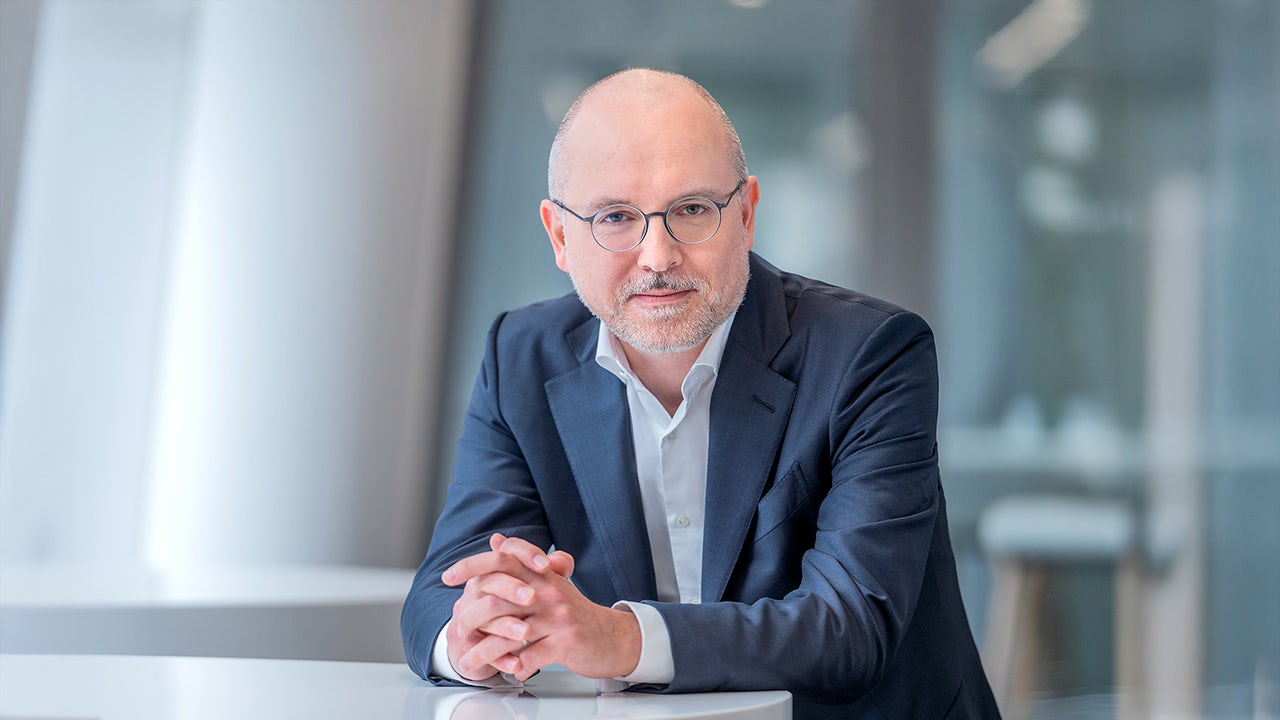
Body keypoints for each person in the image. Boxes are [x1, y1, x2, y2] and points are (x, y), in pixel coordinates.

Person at [402, 68, 1000, 719]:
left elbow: (849, 629)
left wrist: (619, 638)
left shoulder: (871, 353)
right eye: (615, 217)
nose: (657, 256)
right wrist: (474, 637)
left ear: (745, 214)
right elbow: (444, 587)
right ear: (559, 237)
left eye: (691, 210)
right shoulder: (520, 356)